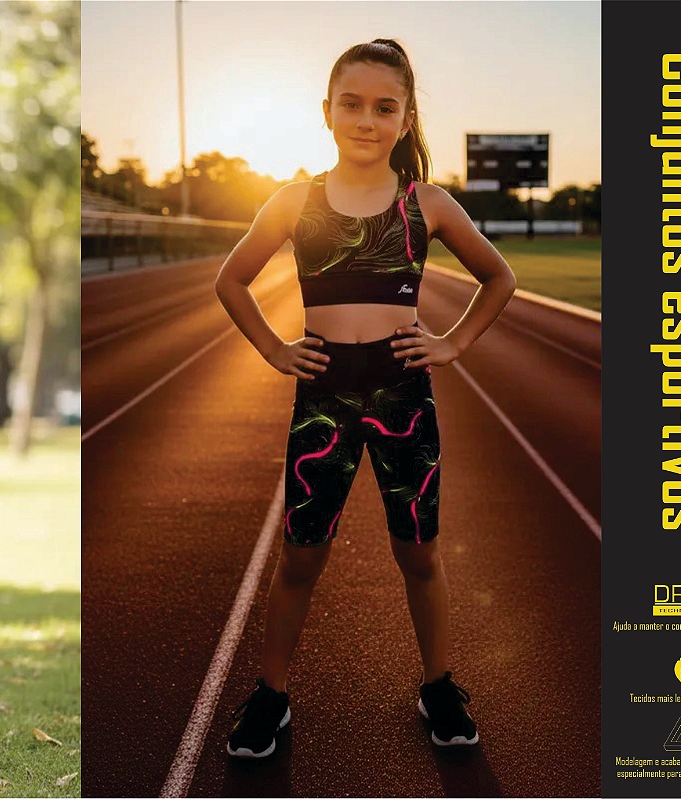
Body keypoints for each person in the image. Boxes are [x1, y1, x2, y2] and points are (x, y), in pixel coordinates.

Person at [213, 39, 516, 758]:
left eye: (385, 107)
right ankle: (271, 694)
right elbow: (230, 281)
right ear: (325, 112)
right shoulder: (293, 203)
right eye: (351, 104)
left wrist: (450, 342)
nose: (366, 120)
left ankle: (437, 685)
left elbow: (496, 278)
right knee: (298, 556)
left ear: (406, 118)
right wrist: (272, 348)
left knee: (419, 553)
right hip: (323, 397)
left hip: (402, 393)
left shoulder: (427, 205)